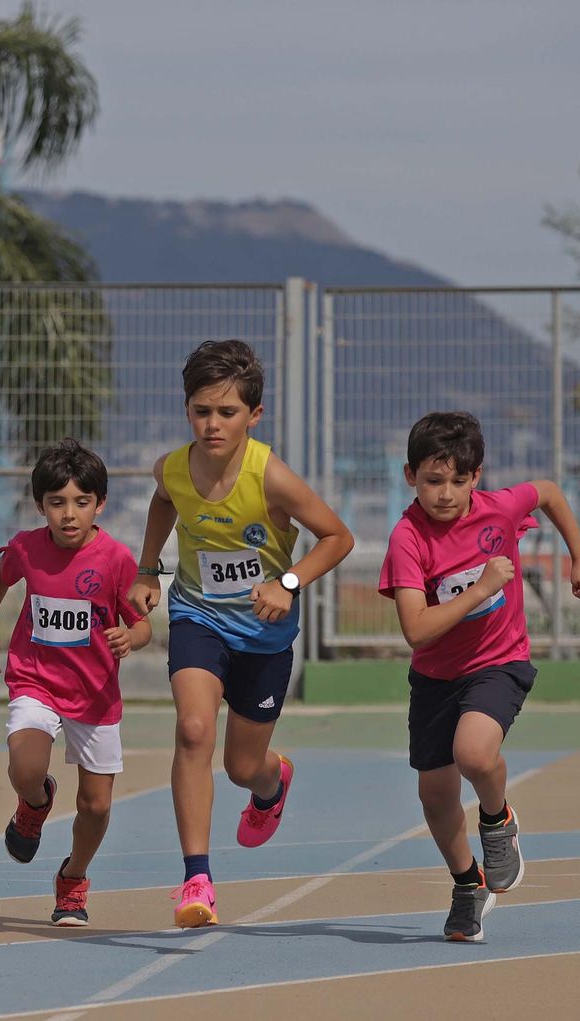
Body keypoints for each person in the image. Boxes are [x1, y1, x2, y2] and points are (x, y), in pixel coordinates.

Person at [128, 339, 355, 929]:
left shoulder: (272, 476)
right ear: (187, 410)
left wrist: (287, 581)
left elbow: (337, 537)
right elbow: (162, 501)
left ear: (253, 416)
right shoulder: (172, 468)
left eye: (227, 413)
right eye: (201, 411)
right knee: (193, 729)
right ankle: (196, 878)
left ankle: (272, 782)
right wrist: (148, 568)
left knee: (241, 765)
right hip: (197, 617)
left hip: (263, 635)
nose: (212, 424)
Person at [378, 411, 580, 942]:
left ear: (477, 477)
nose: (446, 494)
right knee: (434, 794)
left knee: (474, 753)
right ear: (410, 476)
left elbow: (546, 492)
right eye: (433, 481)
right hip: (435, 676)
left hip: (499, 662)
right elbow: (416, 629)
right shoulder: (408, 538)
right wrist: (479, 588)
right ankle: (466, 884)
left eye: (458, 480)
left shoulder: (499, 509)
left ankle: (498, 822)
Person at [0, 439, 151, 927]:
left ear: (100, 504)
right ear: (41, 506)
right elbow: (0, 575)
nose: (69, 515)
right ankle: (34, 801)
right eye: (57, 503)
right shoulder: (28, 548)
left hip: (94, 695)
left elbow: (145, 625)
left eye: (81, 502)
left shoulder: (115, 559)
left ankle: (73, 876)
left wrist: (128, 636)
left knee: (95, 805)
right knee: (25, 764)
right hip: (36, 680)